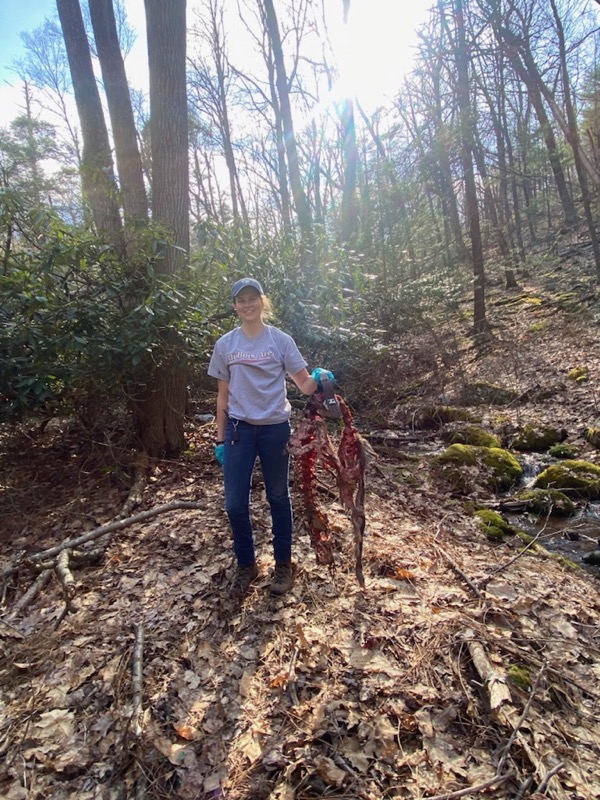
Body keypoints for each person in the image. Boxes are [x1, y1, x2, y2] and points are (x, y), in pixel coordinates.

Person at [207, 277, 333, 596]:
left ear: (263, 301)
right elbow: (223, 397)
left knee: (278, 497)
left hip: (276, 429)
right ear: (235, 306)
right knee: (235, 504)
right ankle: (246, 565)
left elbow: (303, 384)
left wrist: (319, 379)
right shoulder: (226, 345)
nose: (247, 304)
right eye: (241, 299)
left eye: (253, 298)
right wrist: (220, 439)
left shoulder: (280, 341)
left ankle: (282, 565)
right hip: (239, 432)